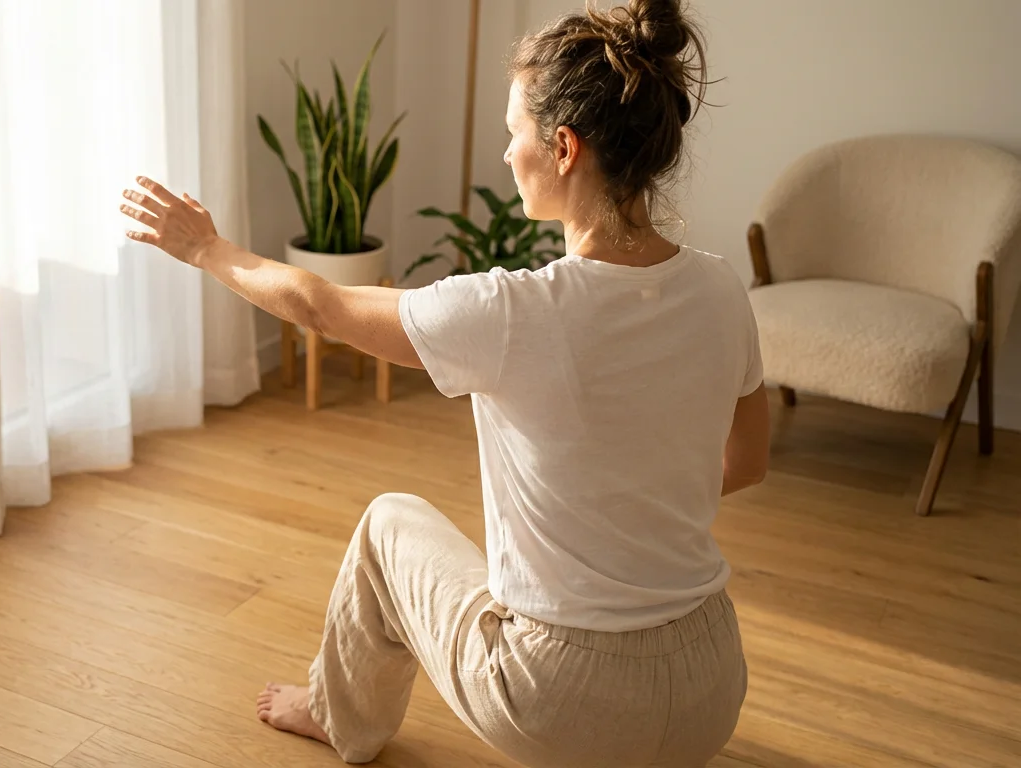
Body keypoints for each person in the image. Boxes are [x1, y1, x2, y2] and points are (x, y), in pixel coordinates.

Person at [120, 0, 768, 764]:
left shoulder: (514, 312)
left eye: (512, 133)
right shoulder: (724, 289)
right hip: (708, 684)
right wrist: (636, 497)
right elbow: (747, 463)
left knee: (389, 524)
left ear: (563, 148)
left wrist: (205, 249)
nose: (505, 154)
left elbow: (320, 306)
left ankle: (340, 715)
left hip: (567, 702)